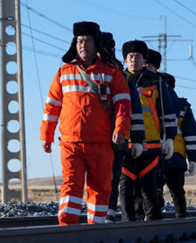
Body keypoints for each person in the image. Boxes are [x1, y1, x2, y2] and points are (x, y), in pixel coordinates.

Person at [40, 21, 131, 225]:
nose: (83, 45)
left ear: (96, 43)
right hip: (70, 142)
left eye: (88, 41)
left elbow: (124, 105)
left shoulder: (111, 72)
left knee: (99, 187)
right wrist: (46, 135)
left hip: (101, 142)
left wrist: (120, 129)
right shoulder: (64, 72)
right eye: (80, 41)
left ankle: (95, 231)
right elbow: (51, 107)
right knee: (70, 185)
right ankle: (67, 229)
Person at [118, 41, 178, 221]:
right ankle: (127, 223)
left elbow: (168, 111)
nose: (133, 60)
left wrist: (169, 138)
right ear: (125, 60)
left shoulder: (157, 82)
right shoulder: (118, 79)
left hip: (151, 143)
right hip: (124, 142)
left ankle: (153, 223)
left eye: (137, 56)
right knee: (125, 185)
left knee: (149, 185)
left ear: (144, 60)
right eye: (130, 57)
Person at [101, 32, 145, 221]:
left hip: (117, 138)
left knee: (112, 179)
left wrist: (137, 140)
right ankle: (97, 216)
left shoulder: (122, 77)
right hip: (90, 137)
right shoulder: (78, 73)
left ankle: (107, 215)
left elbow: (134, 110)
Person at [162, 94, 196, 218]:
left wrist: (193, 159)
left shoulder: (151, 98)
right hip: (176, 156)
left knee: (153, 190)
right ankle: (181, 218)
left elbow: (191, 133)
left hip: (155, 153)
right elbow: (191, 133)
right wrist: (193, 159)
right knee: (177, 190)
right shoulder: (183, 107)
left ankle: (153, 219)